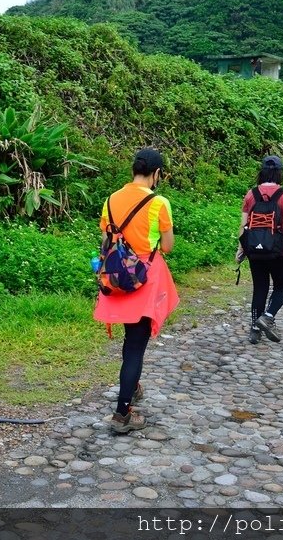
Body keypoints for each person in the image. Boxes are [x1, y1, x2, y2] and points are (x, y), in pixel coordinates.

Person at [94, 148, 178, 433]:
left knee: (131, 341)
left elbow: (107, 238)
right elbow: (167, 247)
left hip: (118, 276)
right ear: (156, 174)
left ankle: (132, 386)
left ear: (134, 170)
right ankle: (122, 414)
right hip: (145, 278)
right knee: (135, 347)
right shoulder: (159, 203)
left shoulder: (110, 200)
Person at [237, 155, 283, 344]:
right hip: (277, 250)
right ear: (280, 173)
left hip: (254, 250)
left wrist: (240, 248)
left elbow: (243, 225)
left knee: (260, 287)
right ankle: (268, 316)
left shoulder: (251, 194)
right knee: (282, 285)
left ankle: (255, 330)